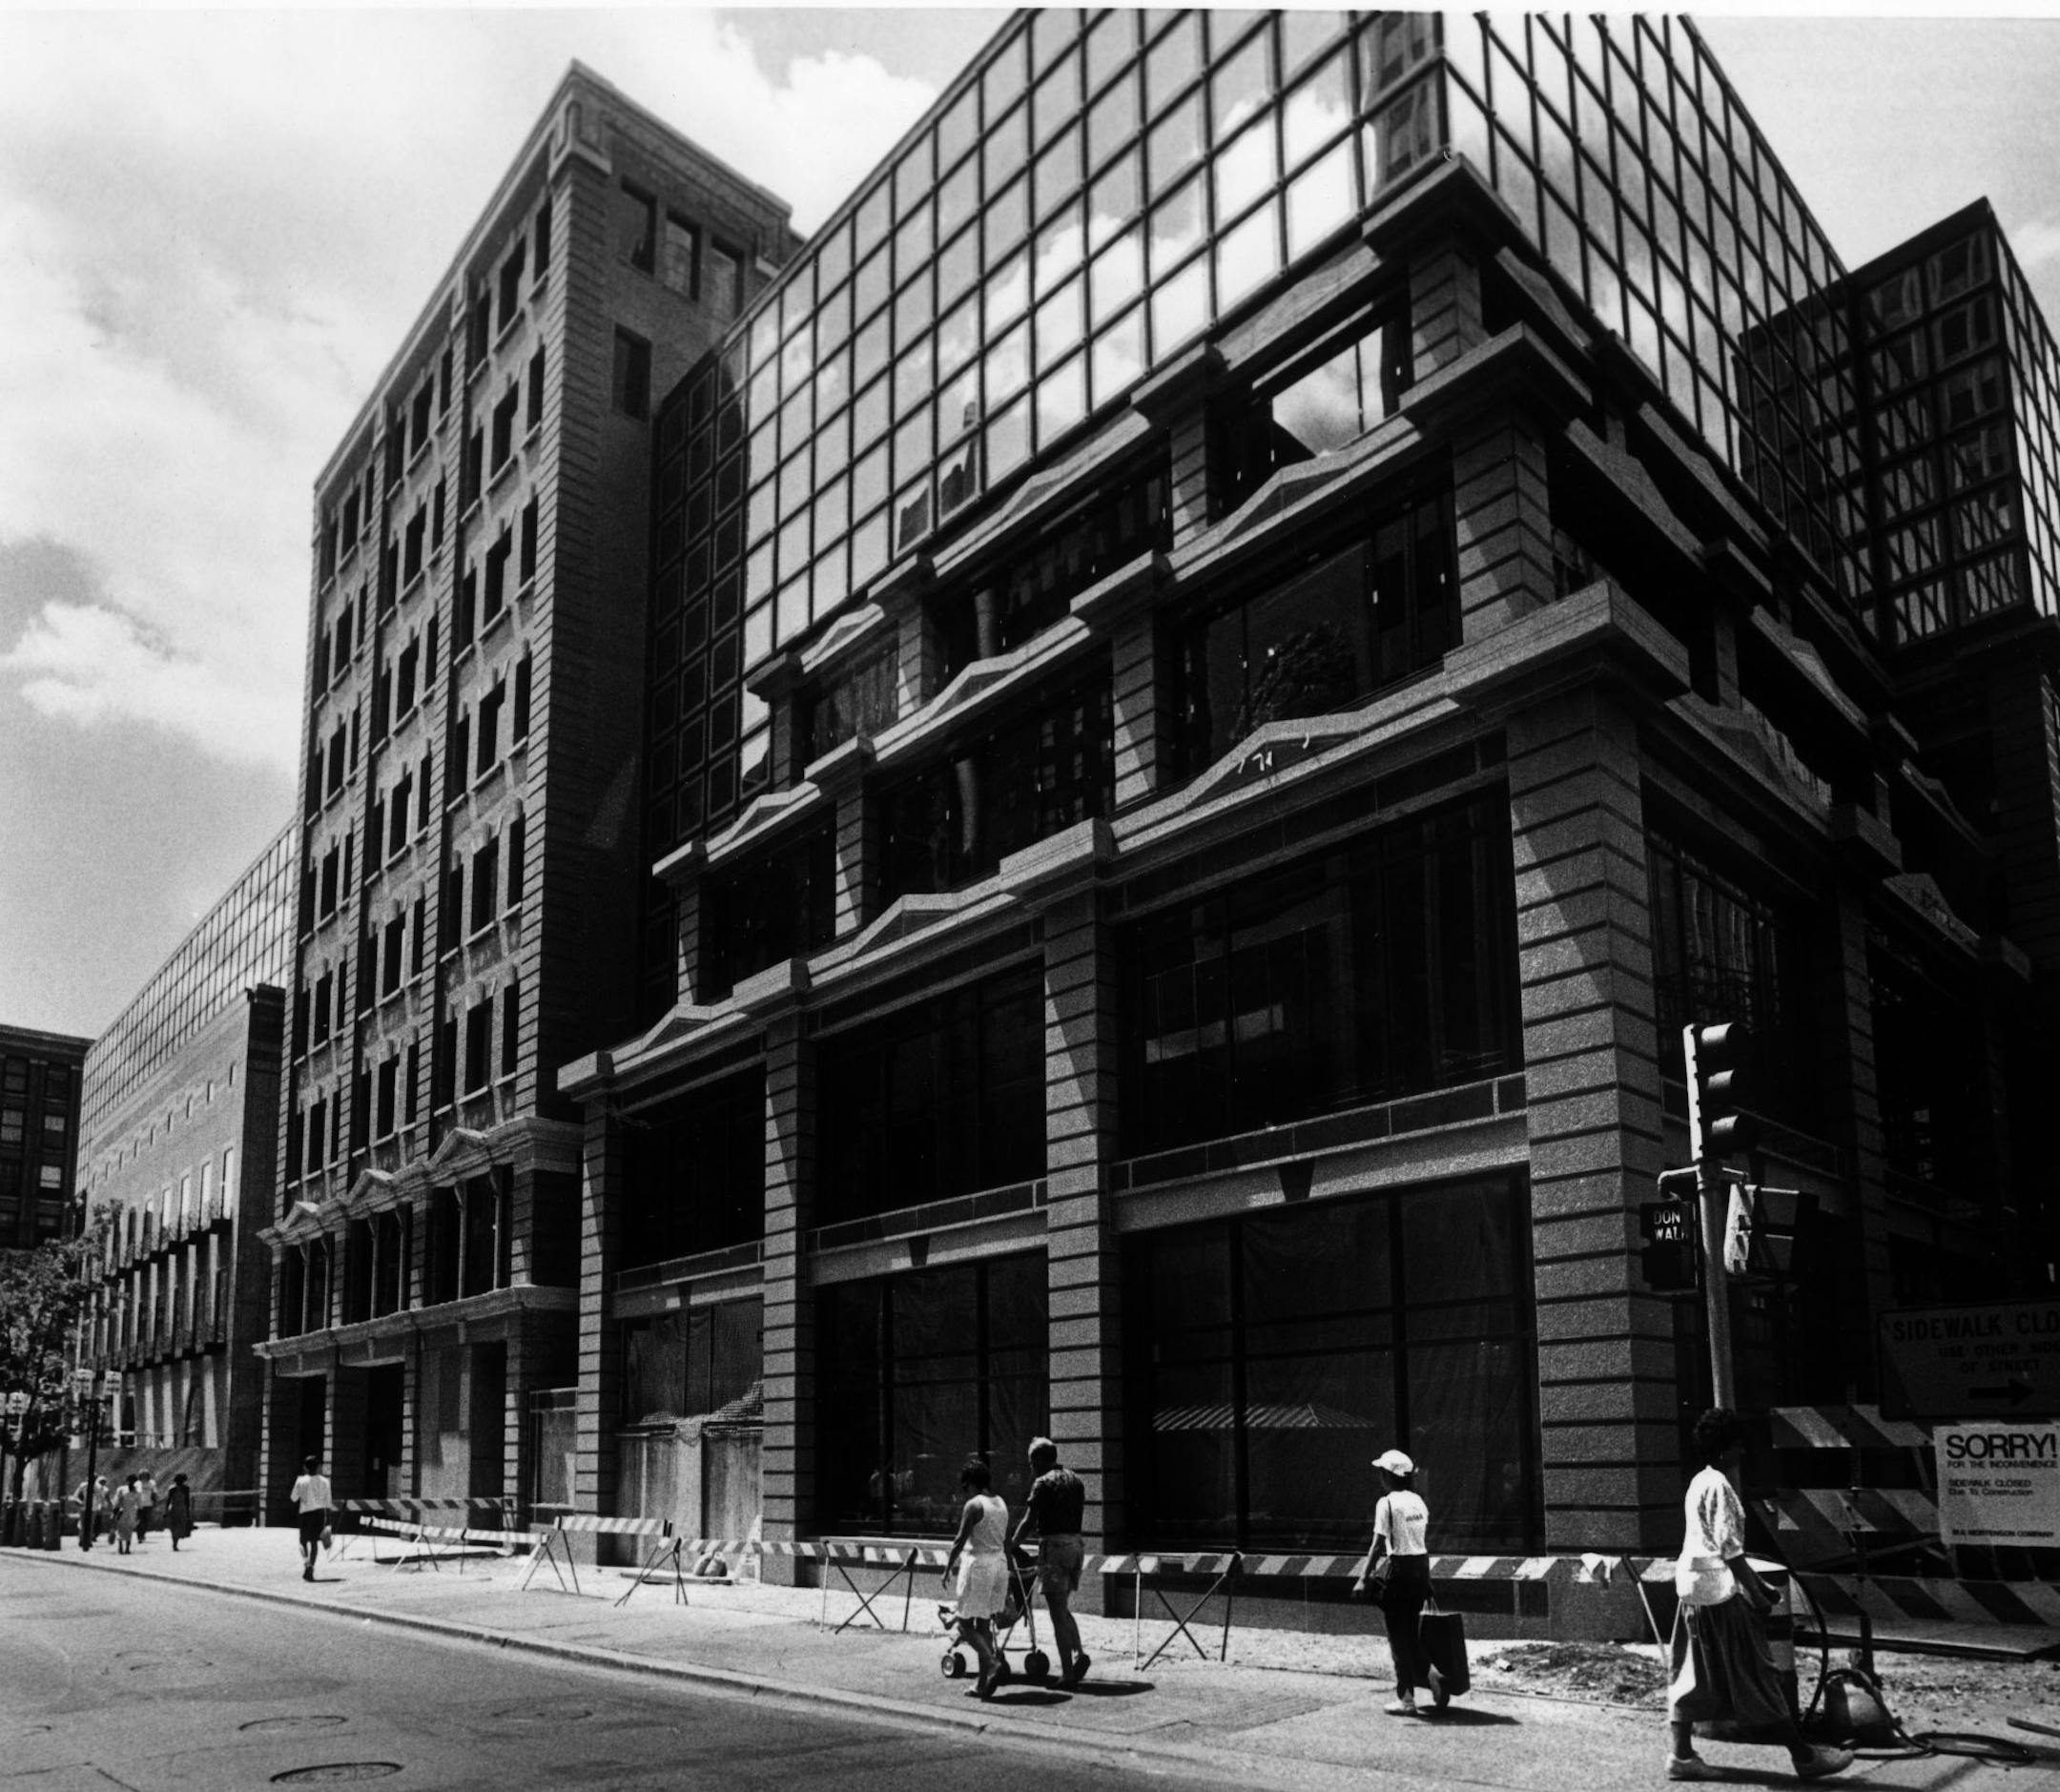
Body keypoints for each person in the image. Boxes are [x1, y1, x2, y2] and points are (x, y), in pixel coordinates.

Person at [1666, 1407, 1853, 1782]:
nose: (1744, 1452)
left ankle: (1681, 1756)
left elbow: (1712, 1545)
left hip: (1692, 1591)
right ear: (1725, 1448)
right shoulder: (1720, 1486)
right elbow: (1730, 1548)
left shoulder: (1698, 1482)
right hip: (1719, 1594)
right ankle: (1804, 1756)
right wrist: (1758, 1592)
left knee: (1691, 1675)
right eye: (1738, 1445)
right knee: (1757, 1674)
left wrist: (1756, 1583)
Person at [1352, 1447, 1432, 1716]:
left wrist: (1363, 1578)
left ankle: (1406, 1698)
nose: (1380, 1477)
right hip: (1421, 1571)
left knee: (1398, 1637)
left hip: (1400, 1572)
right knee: (1411, 1632)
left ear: (1389, 1476)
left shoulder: (1386, 1503)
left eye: (1382, 1472)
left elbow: (1377, 1545)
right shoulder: (1419, 1502)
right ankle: (1430, 1679)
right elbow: (1420, 1542)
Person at [1011, 1435, 1090, 1688]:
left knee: (1056, 1613)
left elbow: (1029, 1519)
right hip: (1076, 1545)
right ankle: (1079, 1653)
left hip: (1054, 1546)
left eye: (1031, 1462)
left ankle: (1067, 1674)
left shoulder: (1042, 1483)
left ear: (1040, 1459)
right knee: (1063, 1605)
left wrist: (1011, 1544)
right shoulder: (1075, 1479)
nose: (1030, 1467)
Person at [940, 1455, 1010, 1699]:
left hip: (978, 1565)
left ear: (970, 1483)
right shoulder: (1000, 1502)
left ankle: (992, 1664)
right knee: (983, 1625)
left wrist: (948, 1567)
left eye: (965, 1487)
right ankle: (982, 1684)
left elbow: (960, 1539)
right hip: (999, 1564)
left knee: (964, 1623)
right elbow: (1007, 1540)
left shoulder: (974, 1505)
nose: (964, 1492)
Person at [289, 1454, 333, 1583]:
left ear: (305, 1468)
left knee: (303, 1541)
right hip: (319, 1513)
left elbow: (293, 1498)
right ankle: (311, 1568)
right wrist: (329, 1520)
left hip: (305, 1513)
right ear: (318, 1467)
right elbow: (328, 1502)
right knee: (314, 1542)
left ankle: (306, 1563)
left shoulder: (301, 1481)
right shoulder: (325, 1481)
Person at [164, 1473, 195, 1551]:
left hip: (178, 1509)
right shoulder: (176, 1489)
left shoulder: (181, 1489)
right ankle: (175, 1543)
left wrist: (166, 1511)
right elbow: (169, 1501)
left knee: (177, 1527)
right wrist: (188, 1512)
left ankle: (175, 1543)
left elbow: (168, 1501)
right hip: (178, 1510)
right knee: (176, 1527)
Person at [112, 1476, 139, 1555]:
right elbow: (116, 1500)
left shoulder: (137, 1491)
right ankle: (120, 1547)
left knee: (129, 1530)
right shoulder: (121, 1489)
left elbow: (139, 1503)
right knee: (120, 1529)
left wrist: (139, 1513)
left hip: (132, 1512)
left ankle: (127, 1548)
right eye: (130, 1481)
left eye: (133, 1481)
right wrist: (115, 1510)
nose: (132, 1483)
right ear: (127, 1481)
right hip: (122, 1511)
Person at [136, 1470, 159, 1542]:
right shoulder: (137, 1483)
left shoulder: (151, 1483)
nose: (144, 1477)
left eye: (145, 1475)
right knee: (139, 1520)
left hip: (148, 1504)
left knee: (146, 1521)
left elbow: (154, 1493)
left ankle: (143, 1534)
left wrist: (155, 1502)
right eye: (142, 1475)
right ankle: (139, 1536)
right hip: (139, 1505)